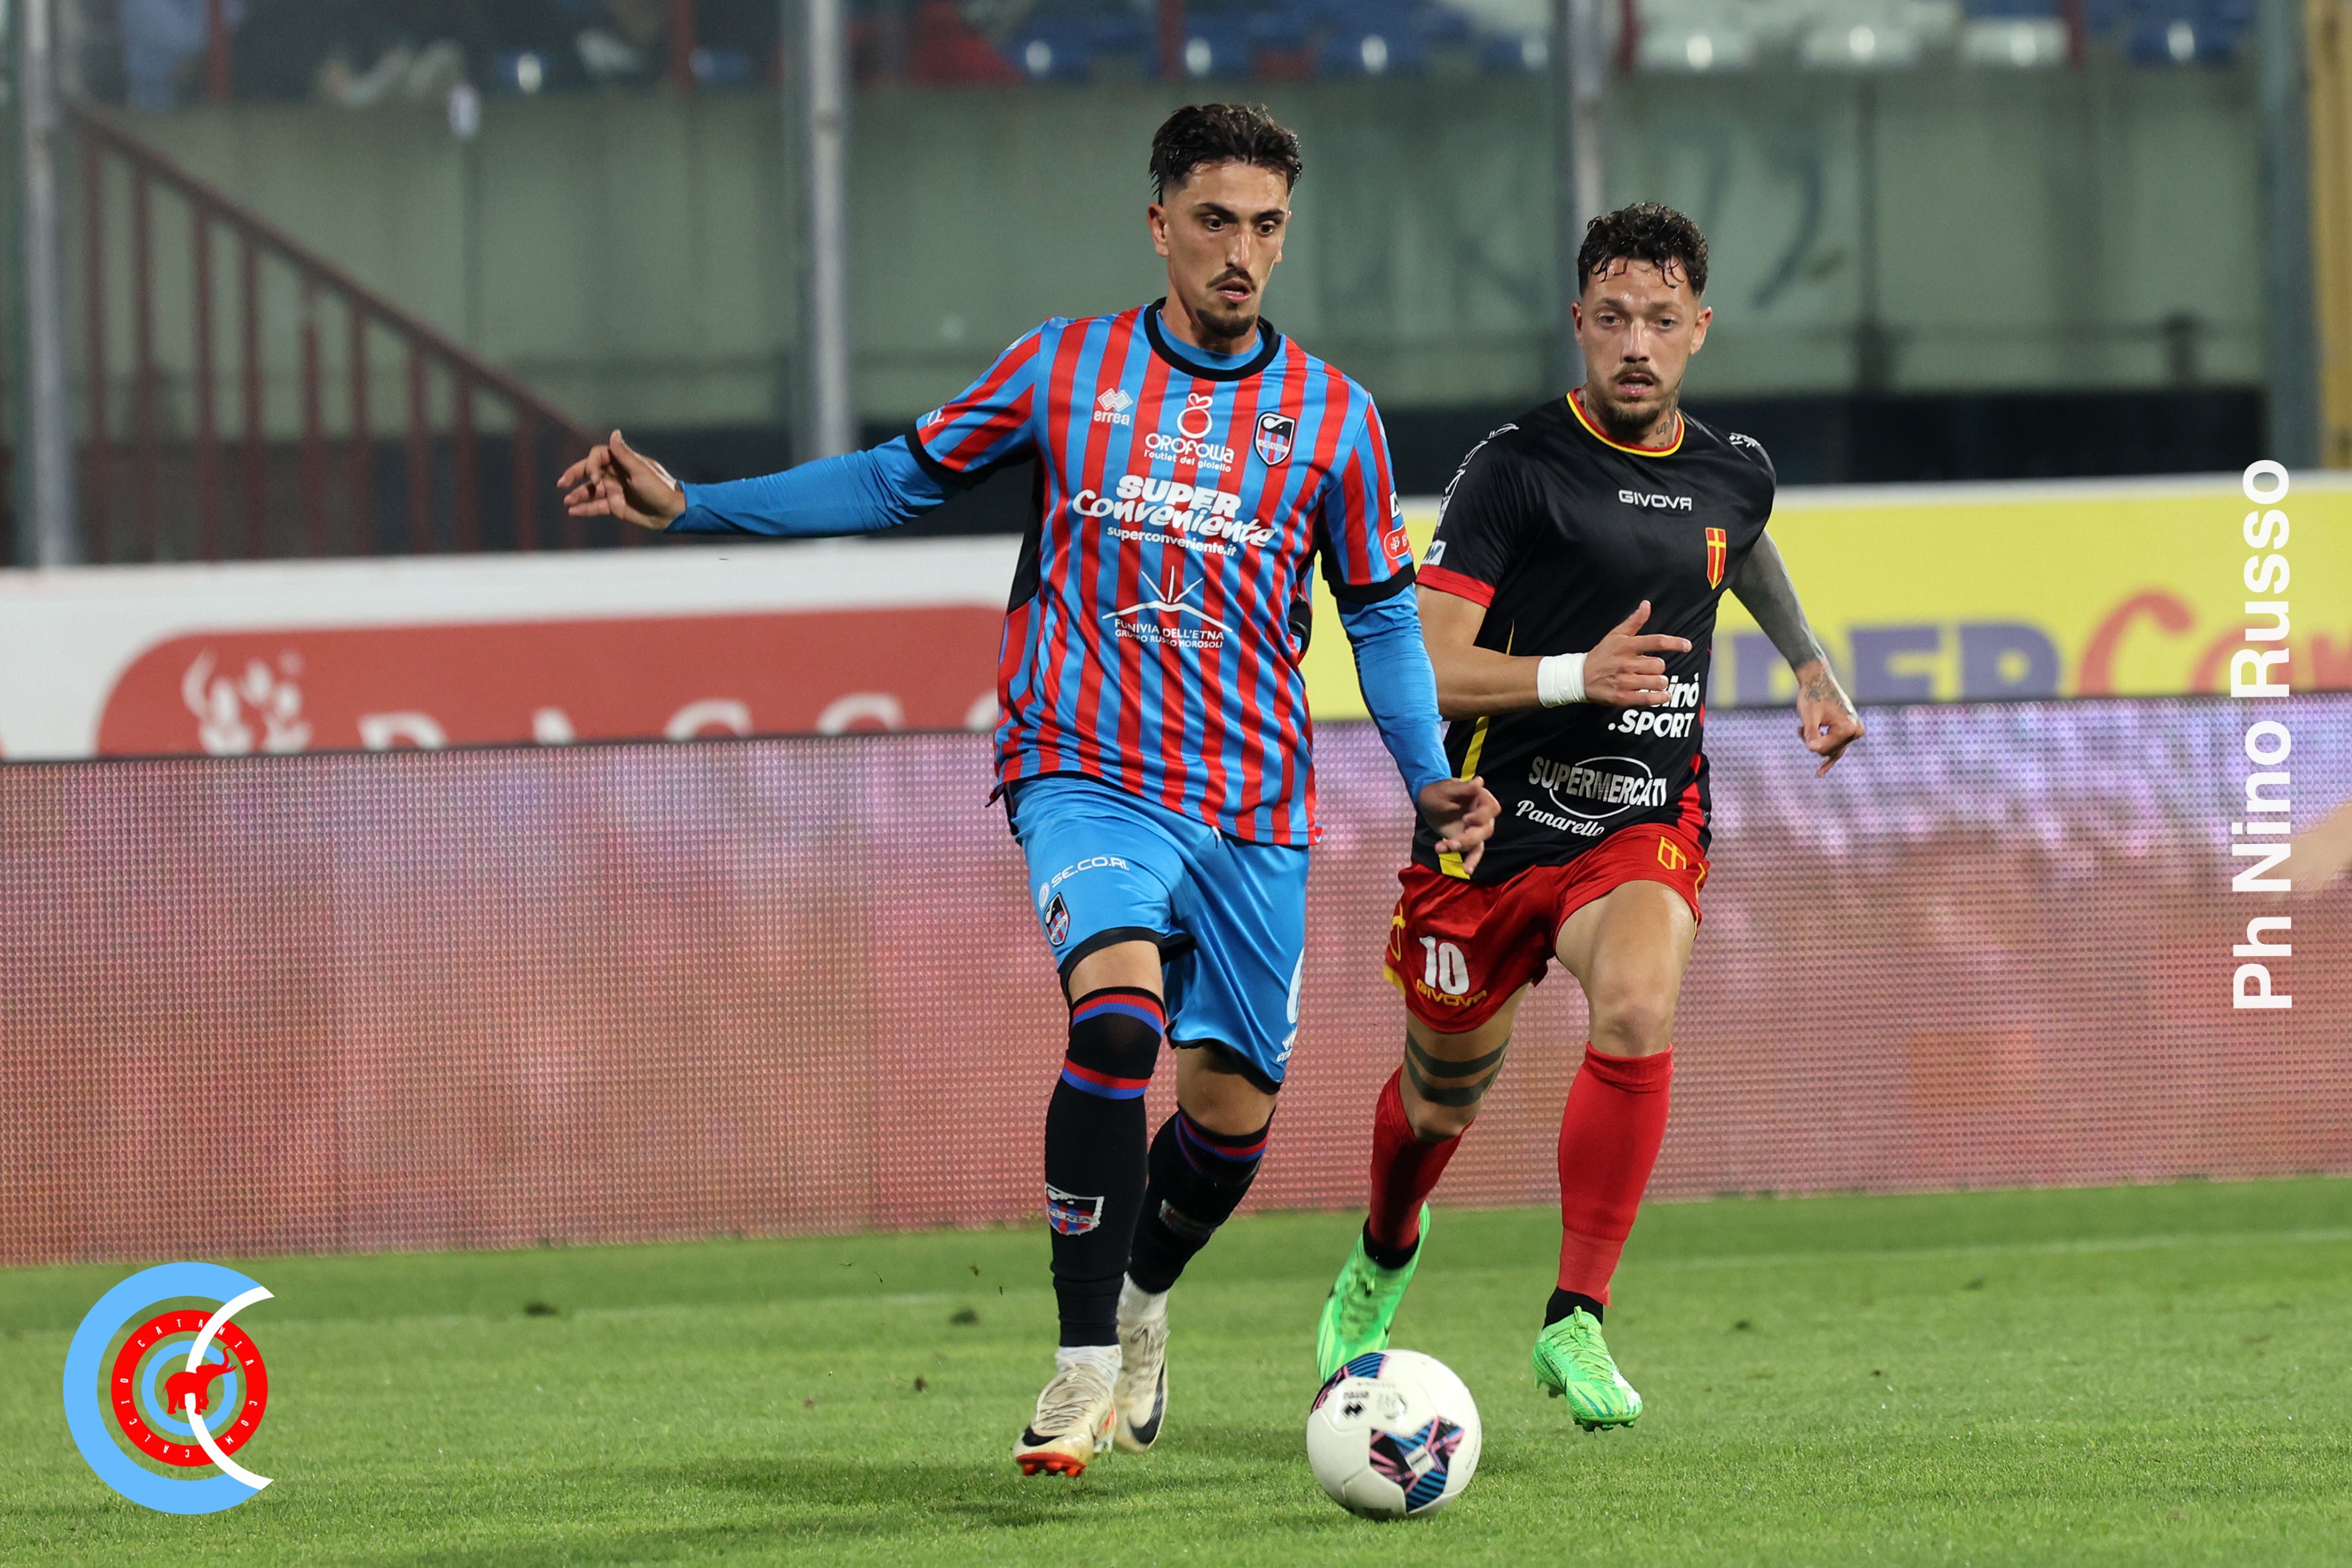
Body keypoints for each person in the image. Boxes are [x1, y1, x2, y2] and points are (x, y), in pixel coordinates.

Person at [560, 104, 1498, 1477]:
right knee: (1113, 1020)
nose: (1241, 253)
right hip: (1082, 769)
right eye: (1216, 221)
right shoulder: (1063, 370)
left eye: (1267, 226)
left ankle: (1144, 1297)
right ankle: (1079, 1363)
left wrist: (1427, 779)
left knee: (1229, 1118)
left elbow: (1377, 616)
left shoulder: (1335, 419)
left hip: (1252, 803)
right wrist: (692, 504)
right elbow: (895, 481)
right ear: (1160, 223)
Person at [1312, 203, 1864, 1430]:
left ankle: (1577, 1316)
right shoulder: (1515, 469)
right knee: (1440, 1101)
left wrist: (1810, 664)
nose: (1636, 344)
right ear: (1579, 323)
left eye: (1662, 320)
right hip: (1488, 825)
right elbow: (1426, 665)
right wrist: (1577, 674)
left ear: (1700, 329)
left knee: (1637, 1004)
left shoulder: (1735, 469)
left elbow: (1739, 541)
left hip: (1642, 815)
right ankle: (1386, 1247)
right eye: (1613, 318)